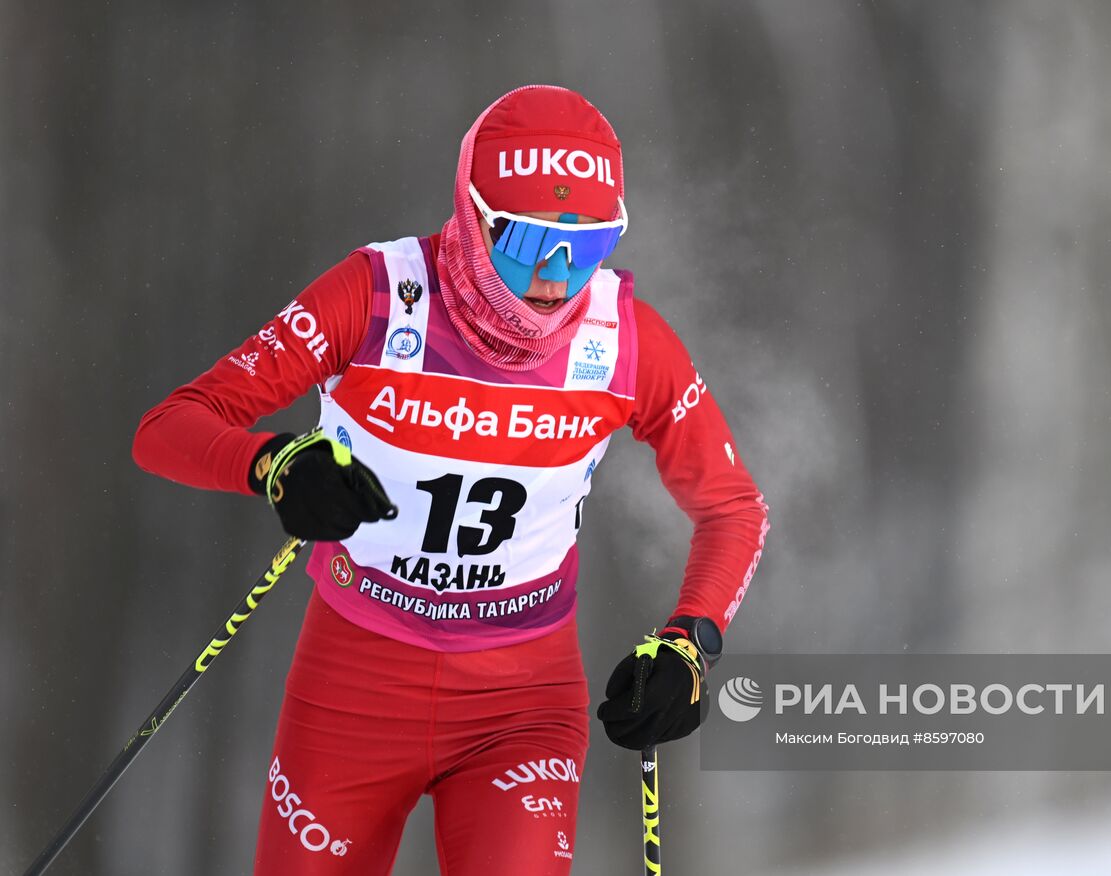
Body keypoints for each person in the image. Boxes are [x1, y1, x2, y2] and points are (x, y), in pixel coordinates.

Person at [131, 84, 769, 875]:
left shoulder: (626, 342)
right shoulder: (375, 299)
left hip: (522, 704)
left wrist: (690, 644)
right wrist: (274, 465)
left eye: (590, 244)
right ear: (471, 219)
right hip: (353, 690)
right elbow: (169, 428)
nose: (555, 277)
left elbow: (733, 508)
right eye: (527, 242)